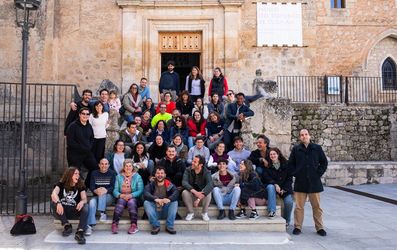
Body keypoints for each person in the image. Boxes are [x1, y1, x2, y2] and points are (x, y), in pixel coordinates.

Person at [289, 129, 328, 236]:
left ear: (309, 136)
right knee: (299, 207)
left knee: (317, 207)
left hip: (314, 182)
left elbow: (324, 162)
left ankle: (319, 227)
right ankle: (297, 227)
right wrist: (296, 173)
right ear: (299, 137)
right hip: (300, 182)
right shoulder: (296, 149)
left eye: (306, 134)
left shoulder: (317, 148)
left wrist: (317, 174)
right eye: (302, 135)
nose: (304, 136)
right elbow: (291, 164)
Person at [51, 167, 88, 244]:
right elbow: (54, 194)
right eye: (75, 173)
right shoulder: (61, 184)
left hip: (74, 211)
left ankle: (80, 232)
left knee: (85, 206)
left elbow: (84, 198)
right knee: (53, 202)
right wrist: (58, 203)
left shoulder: (80, 185)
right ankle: (67, 225)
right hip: (62, 212)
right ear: (70, 175)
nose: (78, 175)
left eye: (78, 174)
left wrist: (82, 202)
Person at [66, 107, 97, 187]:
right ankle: (75, 189)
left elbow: (92, 138)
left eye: (87, 114)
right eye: (83, 113)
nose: (85, 115)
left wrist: (89, 147)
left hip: (87, 152)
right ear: (79, 114)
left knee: (95, 168)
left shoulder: (89, 126)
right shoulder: (72, 126)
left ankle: (86, 186)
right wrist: (82, 148)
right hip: (75, 154)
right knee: (74, 173)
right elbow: (70, 142)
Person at [144, 166, 179, 235]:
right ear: (155, 175)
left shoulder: (168, 184)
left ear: (165, 175)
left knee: (174, 202)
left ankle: (169, 226)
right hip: (155, 212)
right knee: (146, 203)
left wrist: (169, 199)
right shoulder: (151, 184)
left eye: (162, 173)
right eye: (158, 173)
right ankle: (156, 226)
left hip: (166, 211)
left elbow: (176, 192)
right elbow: (146, 193)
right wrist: (156, 199)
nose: (160, 175)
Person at [112, 159, 144, 234]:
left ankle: (134, 225)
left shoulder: (137, 177)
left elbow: (140, 190)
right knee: (120, 201)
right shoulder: (118, 176)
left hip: (135, 198)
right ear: (123, 167)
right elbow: (115, 190)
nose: (128, 167)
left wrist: (131, 195)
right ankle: (114, 224)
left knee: (131, 202)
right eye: (126, 166)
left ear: (132, 167)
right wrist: (120, 195)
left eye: (130, 166)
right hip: (122, 197)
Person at [262, 148, 293, 223]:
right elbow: (266, 178)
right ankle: (272, 211)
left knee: (289, 202)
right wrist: (275, 184)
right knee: (270, 186)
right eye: (271, 154)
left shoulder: (286, 164)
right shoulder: (267, 166)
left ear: (278, 154)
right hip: (272, 188)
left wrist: (284, 189)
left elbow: (289, 179)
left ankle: (287, 221)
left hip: (284, 188)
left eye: (274, 154)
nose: (272, 156)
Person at [86, 159, 116, 235]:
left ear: (108, 165)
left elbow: (113, 187)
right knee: (92, 202)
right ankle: (90, 225)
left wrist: (105, 190)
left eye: (106, 164)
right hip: (97, 195)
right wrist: (96, 190)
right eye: (102, 164)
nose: (104, 166)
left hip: (109, 197)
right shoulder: (94, 173)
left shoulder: (112, 173)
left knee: (102, 192)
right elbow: (91, 187)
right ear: (99, 165)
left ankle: (102, 213)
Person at [182, 155, 214, 221]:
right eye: (193, 161)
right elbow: (184, 182)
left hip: (203, 198)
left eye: (195, 162)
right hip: (192, 196)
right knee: (184, 192)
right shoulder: (188, 170)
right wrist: (195, 192)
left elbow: (210, 185)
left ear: (200, 165)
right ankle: (190, 213)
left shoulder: (206, 172)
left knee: (208, 192)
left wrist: (199, 198)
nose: (192, 163)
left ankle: (204, 213)